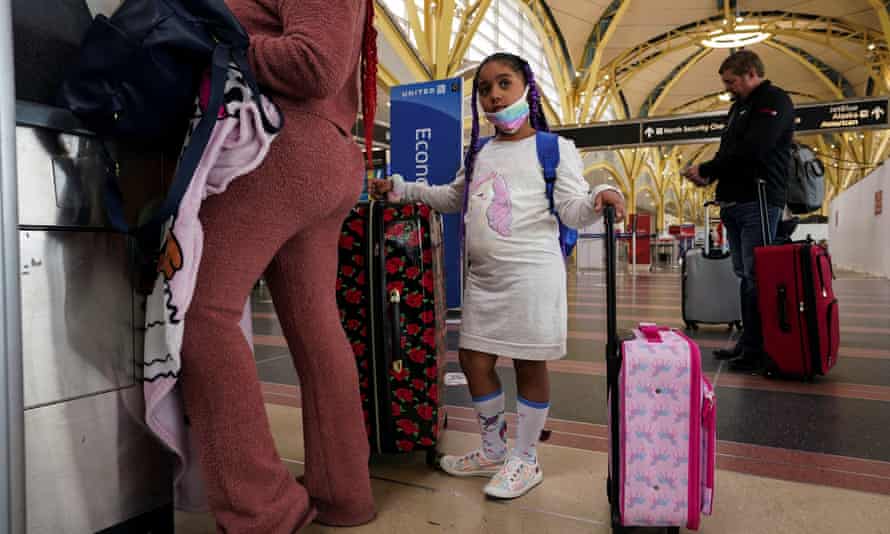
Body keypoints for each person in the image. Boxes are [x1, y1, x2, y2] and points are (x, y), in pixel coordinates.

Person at [369, 52, 625, 499]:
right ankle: (491, 449)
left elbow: (572, 207)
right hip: (484, 281)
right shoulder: (481, 152)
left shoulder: (554, 148)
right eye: (485, 89)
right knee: (473, 361)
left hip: (532, 277)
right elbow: (452, 197)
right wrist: (402, 189)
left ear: (527, 88)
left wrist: (602, 192)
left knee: (529, 363)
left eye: (503, 84)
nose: (493, 96)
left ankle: (525, 460)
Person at [178, 0, 378, 531]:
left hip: (280, 146)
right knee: (316, 328)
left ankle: (263, 510)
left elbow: (315, 63)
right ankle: (344, 494)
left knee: (200, 313)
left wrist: (214, 44)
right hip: (320, 153)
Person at [682, 49, 794, 372]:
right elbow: (729, 151)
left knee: (757, 277)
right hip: (734, 203)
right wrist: (709, 176)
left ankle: (759, 348)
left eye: (731, 81)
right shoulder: (739, 108)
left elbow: (753, 150)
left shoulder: (775, 100)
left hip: (758, 201)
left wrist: (709, 167)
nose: (728, 88)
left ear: (750, 74)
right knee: (746, 276)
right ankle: (750, 343)